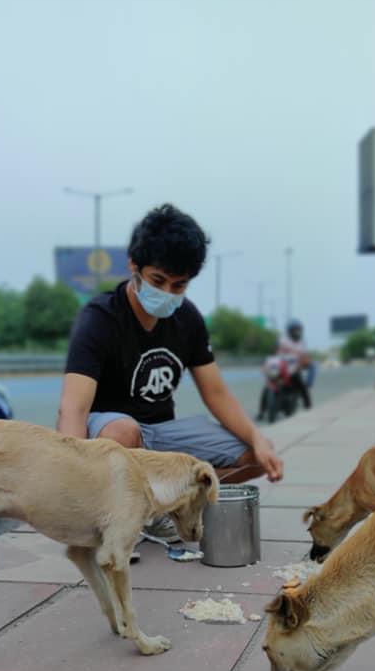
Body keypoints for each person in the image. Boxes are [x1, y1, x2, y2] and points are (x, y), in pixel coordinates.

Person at [57, 203, 284, 543]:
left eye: (178, 286)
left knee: (255, 454)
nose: (166, 294)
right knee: (123, 431)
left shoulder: (188, 318)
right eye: (157, 281)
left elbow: (216, 394)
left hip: (161, 432)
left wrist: (258, 439)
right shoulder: (100, 317)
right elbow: (73, 408)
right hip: (110, 432)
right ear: (134, 266)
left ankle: (161, 508)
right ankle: (114, 521)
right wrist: (72, 480)